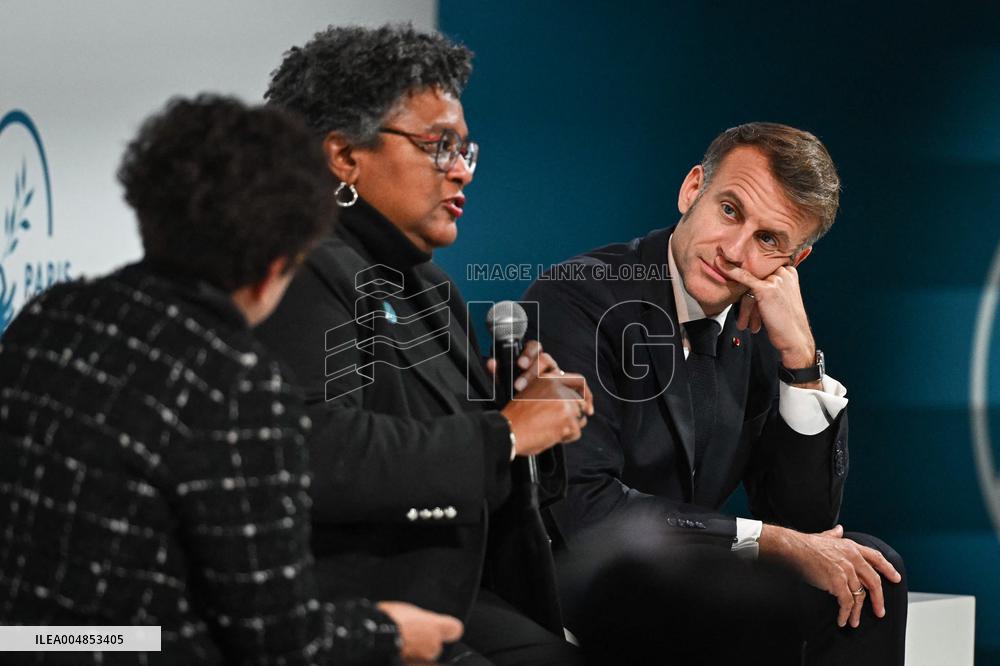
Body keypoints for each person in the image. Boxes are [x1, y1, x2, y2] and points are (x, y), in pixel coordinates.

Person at [0, 95, 462, 665]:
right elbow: (279, 641)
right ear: (277, 266)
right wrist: (391, 634)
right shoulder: (236, 384)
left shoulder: (52, 312)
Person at [255, 24, 591, 666]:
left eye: (466, 149)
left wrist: (524, 417)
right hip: (349, 612)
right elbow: (314, 453)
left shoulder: (425, 283)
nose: (462, 170)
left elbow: (476, 470)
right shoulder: (297, 270)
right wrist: (509, 434)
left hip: (459, 595)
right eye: (438, 146)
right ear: (344, 157)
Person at [522, 122, 907, 665]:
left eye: (768, 240)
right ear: (692, 189)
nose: (733, 251)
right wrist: (767, 540)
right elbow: (585, 506)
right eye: (730, 210)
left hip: (687, 575)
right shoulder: (578, 296)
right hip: (581, 584)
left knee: (870, 571)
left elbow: (806, 522)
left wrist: (800, 361)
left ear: (792, 264)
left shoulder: (763, 322)